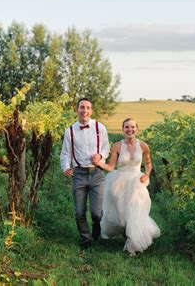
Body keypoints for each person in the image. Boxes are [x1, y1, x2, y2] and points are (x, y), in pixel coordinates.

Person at [95, 118, 160, 256]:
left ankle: (132, 245)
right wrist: (99, 163)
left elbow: (148, 163)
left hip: (137, 181)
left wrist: (147, 174)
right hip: (120, 181)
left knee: (135, 210)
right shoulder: (117, 146)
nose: (129, 130)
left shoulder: (143, 146)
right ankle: (126, 233)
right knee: (122, 213)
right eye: (126, 127)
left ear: (137, 128)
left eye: (132, 127)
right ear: (123, 129)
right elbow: (111, 166)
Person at [60, 98, 110, 251]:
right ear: (77, 110)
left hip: (97, 174)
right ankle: (85, 239)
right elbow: (65, 153)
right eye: (82, 107)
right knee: (79, 212)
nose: (85, 110)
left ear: (91, 111)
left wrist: (100, 157)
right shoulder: (69, 131)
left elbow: (106, 148)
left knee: (96, 212)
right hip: (79, 174)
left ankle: (96, 225)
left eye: (88, 108)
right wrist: (65, 167)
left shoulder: (99, 128)